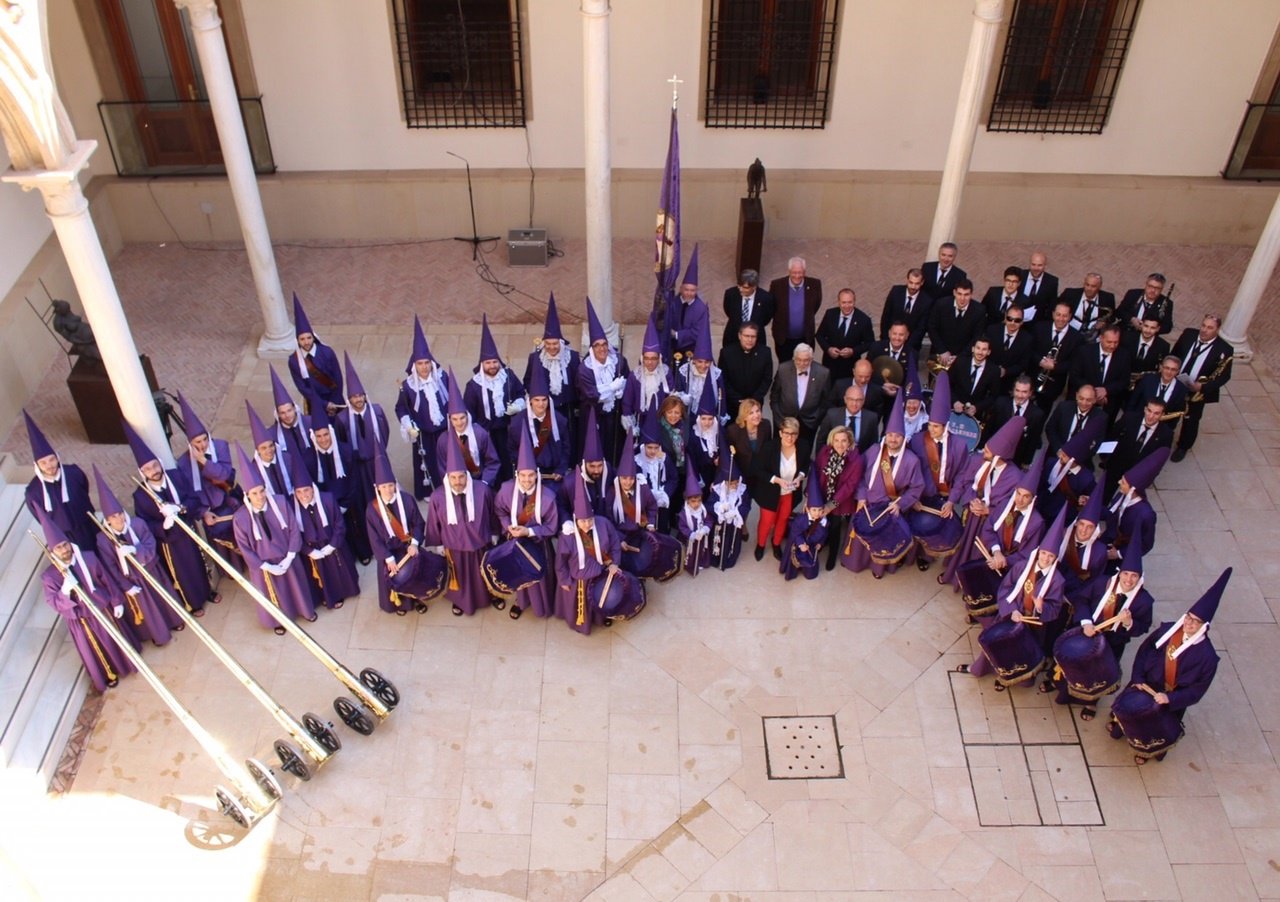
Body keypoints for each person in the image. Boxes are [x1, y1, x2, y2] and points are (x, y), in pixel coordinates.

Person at [1108, 568, 1229, 764]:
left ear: (1203, 627)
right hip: (1144, 685)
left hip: (1167, 698)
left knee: (1154, 730)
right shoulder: (1167, 631)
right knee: (1127, 712)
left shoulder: (1208, 658)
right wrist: (1138, 677)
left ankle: (1149, 750)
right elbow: (1144, 652)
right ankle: (1120, 730)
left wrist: (1169, 698)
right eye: (1188, 617)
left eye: (1195, 622)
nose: (1189, 623)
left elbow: (1196, 691)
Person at [124, 421, 219, 616]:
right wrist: (164, 524)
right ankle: (192, 603)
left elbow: (193, 498)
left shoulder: (176, 476)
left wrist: (180, 507)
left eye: (154, 465)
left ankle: (208, 591)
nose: (153, 471)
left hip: (188, 527)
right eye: (148, 469)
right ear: (143, 473)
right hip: (169, 541)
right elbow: (145, 524)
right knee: (182, 571)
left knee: (200, 561)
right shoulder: (140, 496)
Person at [38, 513, 135, 692]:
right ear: (53, 552)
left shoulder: (88, 558)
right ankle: (107, 673)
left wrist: (116, 601)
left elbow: (106, 580)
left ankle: (127, 664)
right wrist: (65, 591)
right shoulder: (49, 577)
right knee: (96, 647)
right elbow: (53, 603)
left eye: (65, 544)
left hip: (101, 606)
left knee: (115, 638)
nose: (64, 550)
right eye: (59, 548)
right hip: (80, 618)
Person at [1059, 541, 1154, 720]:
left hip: (1113, 642)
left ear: (1140, 578)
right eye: (1126, 574)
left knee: (1098, 673)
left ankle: (1091, 702)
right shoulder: (1103, 583)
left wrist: (1129, 623)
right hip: (1087, 632)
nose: (1128, 580)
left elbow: (1143, 627)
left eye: (1134, 576)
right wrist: (1086, 622)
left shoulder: (1144, 601)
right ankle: (1064, 691)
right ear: (1119, 574)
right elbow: (1081, 599)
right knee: (1074, 665)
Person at [230, 442, 317, 635]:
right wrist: (265, 566)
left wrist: (290, 556)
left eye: (262, 490)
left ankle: (305, 611)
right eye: (255, 493)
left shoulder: (279, 502)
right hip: (265, 567)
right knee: (274, 595)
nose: (260, 496)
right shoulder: (241, 518)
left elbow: (294, 529)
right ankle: (278, 620)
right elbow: (245, 548)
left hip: (287, 558)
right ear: (247, 495)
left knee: (297, 589)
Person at [92, 466, 180, 647]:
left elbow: (151, 544)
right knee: (149, 610)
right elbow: (110, 567)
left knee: (164, 600)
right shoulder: (103, 540)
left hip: (151, 570)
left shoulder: (138, 524)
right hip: (133, 580)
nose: (118, 520)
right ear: (107, 521)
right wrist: (126, 586)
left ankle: (176, 621)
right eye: (113, 518)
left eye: (119, 515)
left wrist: (135, 550)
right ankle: (159, 635)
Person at [843, 393, 925, 579]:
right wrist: (861, 496)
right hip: (867, 503)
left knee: (883, 541)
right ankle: (856, 562)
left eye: (897, 436)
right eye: (890, 435)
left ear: (903, 438)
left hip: (889, 508)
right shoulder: (873, 451)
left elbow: (916, 487)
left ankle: (878, 568)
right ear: (885, 435)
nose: (893, 439)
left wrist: (900, 504)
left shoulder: (912, 461)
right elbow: (859, 476)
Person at [940, 415, 1025, 590]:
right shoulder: (978, 460)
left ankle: (969, 585)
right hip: (971, 516)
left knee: (977, 555)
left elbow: (1013, 506)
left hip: (991, 524)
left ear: (998, 457)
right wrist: (970, 500)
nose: (982, 452)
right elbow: (964, 481)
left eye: (987, 451)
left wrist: (988, 510)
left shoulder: (1015, 477)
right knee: (962, 547)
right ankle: (952, 573)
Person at [954, 453, 1046, 615]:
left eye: (1026, 497)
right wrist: (996, 551)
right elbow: (989, 528)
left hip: (1013, 565)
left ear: (1033, 499)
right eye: (1018, 493)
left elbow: (1028, 554)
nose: (1020, 500)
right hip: (993, 553)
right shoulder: (1004, 505)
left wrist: (1004, 560)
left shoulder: (1037, 522)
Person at [425, 432, 499, 617]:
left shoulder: (482, 491)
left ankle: (492, 594)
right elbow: (434, 522)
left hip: (480, 543)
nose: (458, 482)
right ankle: (459, 600)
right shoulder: (438, 497)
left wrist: (495, 533)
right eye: (453, 478)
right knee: (460, 576)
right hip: (454, 546)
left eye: (461, 477)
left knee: (484, 573)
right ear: (447, 477)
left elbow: (492, 514)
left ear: (467, 475)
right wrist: (439, 545)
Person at [366, 448, 443, 615]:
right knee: (395, 577)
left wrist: (415, 543)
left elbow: (418, 523)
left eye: (390, 485)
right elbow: (374, 538)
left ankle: (418, 599)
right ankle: (400, 604)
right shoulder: (372, 510)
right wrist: (388, 558)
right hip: (388, 553)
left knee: (416, 575)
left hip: (408, 547)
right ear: (377, 488)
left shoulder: (407, 500)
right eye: (383, 487)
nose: (387, 490)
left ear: (395, 484)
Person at [493, 428, 559, 620]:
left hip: (539, 543)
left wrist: (528, 531)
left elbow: (551, 527)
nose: (527, 480)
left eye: (531, 475)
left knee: (539, 577)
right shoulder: (505, 490)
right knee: (518, 573)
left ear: (537, 475)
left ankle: (542, 603)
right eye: (523, 475)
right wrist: (508, 527)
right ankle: (521, 602)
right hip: (514, 542)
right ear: (517, 474)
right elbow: (500, 510)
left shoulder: (547, 497)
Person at [175, 393, 244, 569]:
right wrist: (204, 512)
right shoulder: (183, 463)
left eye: (205, 439)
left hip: (227, 498)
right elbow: (190, 492)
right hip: (208, 509)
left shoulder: (220, 447)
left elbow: (224, 474)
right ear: (190, 442)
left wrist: (205, 461)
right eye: (198, 441)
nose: (204, 444)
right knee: (220, 539)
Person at [908, 372, 968, 572]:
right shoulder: (918, 439)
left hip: (944, 496)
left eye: (935, 426)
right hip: (922, 493)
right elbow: (910, 470)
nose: (931, 429)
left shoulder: (959, 446)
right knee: (915, 524)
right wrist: (912, 496)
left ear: (945, 426)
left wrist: (952, 501)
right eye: (930, 425)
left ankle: (927, 554)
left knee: (935, 529)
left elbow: (961, 475)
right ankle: (910, 553)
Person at [287, 452, 360, 612]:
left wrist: (333, 544)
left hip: (333, 546)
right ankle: (328, 597)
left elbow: (339, 524)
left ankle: (346, 590)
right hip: (312, 550)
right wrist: (309, 551)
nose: (303, 496)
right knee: (320, 576)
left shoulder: (327, 499)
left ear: (313, 489)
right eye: (299, 492)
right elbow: (294, 534)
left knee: (340, 571)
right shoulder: (292, 508)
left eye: (306, 490)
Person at [555, 473, 624, 636]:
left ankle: (600, 618)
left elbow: (614, 543)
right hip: (578, 579)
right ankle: (581, 624)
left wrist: (614, 563)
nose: (586, 524)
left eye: (589, 519)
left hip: (599, 574)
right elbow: (561, 561)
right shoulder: (568, 535)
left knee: (601, 598)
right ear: (575, 519)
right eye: (582, 521)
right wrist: (564, 580)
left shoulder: (604, 524)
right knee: (580, 606)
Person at [23, 410, 96, 551]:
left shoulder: (74, 473)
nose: (49, 465)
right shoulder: (33, 492)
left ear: (57, 458)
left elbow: (84, 488)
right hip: (65, 537)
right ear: (37, 465)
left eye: (51, 459)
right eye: (43, 463)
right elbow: (40, 518)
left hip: (88, 524)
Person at [465, 315, 526, 484]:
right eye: (488, 363)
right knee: (491, 461)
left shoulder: (508, 376)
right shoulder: (473, 386)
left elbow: (521, 393)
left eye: (494, 362)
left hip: (507, 429)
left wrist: (517, 405)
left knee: (508, 459)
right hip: (487, 432)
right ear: (482, 364)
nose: (492, 366)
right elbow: (469, 411)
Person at [395, 316, 451, 498]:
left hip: (444, 429)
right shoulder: (408, 386)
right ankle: (428, 489)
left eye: (427, 363)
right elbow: (401, 408)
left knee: (446, 457)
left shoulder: (442, 379)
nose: (424, 367)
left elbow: (453, 399)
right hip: (423, 432)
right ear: (414, 366)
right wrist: (408, 425)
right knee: (426, 460)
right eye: (420, 364)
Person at [307, 405, 368, 565]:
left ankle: (362, 551)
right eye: (318, 436)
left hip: (349, 500)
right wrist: (329, 506)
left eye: (326, 434)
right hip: (326, 504)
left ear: (331, 433)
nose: (323, 439)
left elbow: (354, 480)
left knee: (356, 526)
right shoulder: (310, 459)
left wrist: (345, 504)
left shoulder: (346, 451)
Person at [335, 352, 390, 526]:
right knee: (364, 495)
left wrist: (378, 452)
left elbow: (385, 432)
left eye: (360, 395)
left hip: (377, 459)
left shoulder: (377, 411)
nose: (358, 399)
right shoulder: (342, 419)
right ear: (349, 399)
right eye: (354, 397)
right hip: (358, 465)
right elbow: (342, 441)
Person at [1169, 314, 1234, 461]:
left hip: (1197, 391)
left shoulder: (1225, 349)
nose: (1204, 330)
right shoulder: (1188, 334)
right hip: (1177, 382)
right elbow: (1175, 353)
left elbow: (1224, 376)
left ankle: (1183, 446)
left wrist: (1202, 388)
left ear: (1217, 330)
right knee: (1170, 410)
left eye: (1210, 328)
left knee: (1191, 419)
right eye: (1203, 325)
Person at [750, 416, 810, 561]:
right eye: (787, 433)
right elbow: (757, 469)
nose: (790, 437)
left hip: (789, 493)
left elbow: (805, 466)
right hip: (770, 492)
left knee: (783, 519)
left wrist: (799, 478)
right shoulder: (769, 447)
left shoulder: (803, 446)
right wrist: (777, 480)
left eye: (794, 434)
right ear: (781, 433)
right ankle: (761, 545)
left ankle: (776, 544)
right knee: (766, 520)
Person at [576, 298, 629, 462]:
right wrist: (613, 388)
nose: (602, 348)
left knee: (614, 449)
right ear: (592, 349)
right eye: (597, 345)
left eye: (604, 344)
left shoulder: (619, 361)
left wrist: (622, 389)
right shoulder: (585, 370)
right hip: (594, 416)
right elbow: (592, 395)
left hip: (614, 415)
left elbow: (626, 377)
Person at [524, 293, 580, 447]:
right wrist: (536, 398)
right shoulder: (535, 358)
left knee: (568, 436)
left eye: (555, 343)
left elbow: (578, 381)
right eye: (548, 343)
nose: (551, 347)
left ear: (561, 342)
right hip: (545, 407)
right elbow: (528, 380)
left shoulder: (573, 357)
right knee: (548, 438)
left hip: (567, 406)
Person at [509, 364, 572, 498]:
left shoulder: (559, 421)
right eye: (536, 400)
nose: (541, 404)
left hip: (554, 477)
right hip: (529, 478)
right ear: (530, 401)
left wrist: (561, 469)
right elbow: (513, 450)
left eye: (544, 400)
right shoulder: (517, 423)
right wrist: (526, 472)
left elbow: (566, 448)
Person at [436, 368, 501, 488]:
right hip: (456, 484)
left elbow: (492, 462)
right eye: (454, 419)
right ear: (449, 420)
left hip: (479, 480)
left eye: (462, 418)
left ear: (468, 416)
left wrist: (485, 482)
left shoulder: (480, 434)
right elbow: (442, 467)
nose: (459, 423)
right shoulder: (443, 440)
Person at [1103, 447, 1168, 562]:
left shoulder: (1146, 514)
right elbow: (1110, 513)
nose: (1119, 483)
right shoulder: (1122, 495)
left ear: (1132, 489)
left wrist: (1118, 554)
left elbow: (1146, 545)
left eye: (1123, 482)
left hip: (1125, 553)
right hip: (1110, 539)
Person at [1103, 398, 1174, 500]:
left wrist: (1149, 478)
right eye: (1149, 411)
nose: (1151, 416)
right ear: (1145, 409)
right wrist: (1106, 458)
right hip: (1116, 466)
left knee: (1128, 501)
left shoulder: (1166, 434)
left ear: (1162, 415)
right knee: (1105, 494)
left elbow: (1159, 460)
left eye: (1156, 413)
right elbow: (1112, 436)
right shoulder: (1129, 418)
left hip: (1138, 473)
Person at [813, 424, 862, 571]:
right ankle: (822, 542)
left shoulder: (856, 460)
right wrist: (811, 496)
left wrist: (831, 505)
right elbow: (815, 472)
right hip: (822, 494)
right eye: (837, 440)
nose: (840, 444)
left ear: (850, 442)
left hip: (839, 502)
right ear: (831, 441)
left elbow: (849, 486)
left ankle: (832, 555)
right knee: (819, 523)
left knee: (834, 527)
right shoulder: (824, 452)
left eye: (844, 441)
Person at [286, 293, 344, 414]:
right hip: (315, 402)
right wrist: (323, 404)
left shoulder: (327, 352)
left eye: (308, 338)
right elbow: (302, 387)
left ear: (313, 337)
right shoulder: (294, 360)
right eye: (302, 339)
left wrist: (335, 399)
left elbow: (338, 377)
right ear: (297, 340)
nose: (306, 342)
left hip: (334, 397)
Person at [1038, 417, 1103, 524]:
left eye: (1064, 456)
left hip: (1061, 517)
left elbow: (1093, 498)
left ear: (1074, 460)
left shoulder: (1086, 479)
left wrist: (1085, 499)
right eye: (1061, 453)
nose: (1060, 456)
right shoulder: (1051, 462)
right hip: (1041, 506)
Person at [1055, 491, 1109, 615]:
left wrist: (1072, 598)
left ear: (1095, 530)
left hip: (1074, 595)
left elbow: (1093, 581)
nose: (1083, 531)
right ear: (1076, 523)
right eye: (1082, 524)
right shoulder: (1061, 536)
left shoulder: (1100, 552)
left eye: (1089, 527)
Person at [623, 312, 676, 433]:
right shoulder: (635, 376)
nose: (650, 362)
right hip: (640, 419)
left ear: (659, 359)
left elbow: (671, 396)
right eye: (647, 358)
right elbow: (627, 401)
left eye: (653, 358)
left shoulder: (666, 373)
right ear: (642, 358)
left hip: (662, 420)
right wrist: (630, 425)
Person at [770, 343, 829, 448]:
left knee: (804, 451)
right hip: (784, 419)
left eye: (806, 360)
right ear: (794, 358)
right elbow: (774, 395)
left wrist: (817, 417)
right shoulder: (784, 369)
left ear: (811, 359)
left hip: (809, 422)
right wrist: (778, 417)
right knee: (780, 450)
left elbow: (825, 400)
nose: (802, 363)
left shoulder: (823, 373)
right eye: (798, 359)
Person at [1029, 301, 1085, 412]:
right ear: (1053, 314)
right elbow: (1029, 349)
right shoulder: (1039, 327)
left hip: (1054, 383)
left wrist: (1055, 367)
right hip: (1032, 376)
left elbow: (1074, 363)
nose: (1061, 318)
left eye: (1065, 316)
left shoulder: (1077, 338)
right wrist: (1040, 361)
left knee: (1043, 412)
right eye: (1058, 314)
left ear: (1070, 317)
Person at [927, 279, 986, 381]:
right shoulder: (941, 304)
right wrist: (942, 351)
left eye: (966, 294)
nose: (962, 298)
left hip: (963, 357)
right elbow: (932, 327)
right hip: (939, 356)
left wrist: (960, 357)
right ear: (954, 292)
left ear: (971, 294)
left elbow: (977, 337)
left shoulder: (979, 310)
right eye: (959, 294)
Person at [815, 288, 875, 382]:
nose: (847, 306)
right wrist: (828, 349)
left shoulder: (863, 320)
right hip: (830, 365)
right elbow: (819, 335)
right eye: (844, 302)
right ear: (838, 302)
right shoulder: (830, 314)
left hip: (849, 367)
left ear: (854, 302)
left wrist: (853, 351)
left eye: (850, 302)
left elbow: (870, 343)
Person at [769, 256, 822, 362]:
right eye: (794, 272)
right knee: (785, 366)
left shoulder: (815, 284)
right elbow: (772, 307)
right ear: (789, 271)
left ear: (804, 271)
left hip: (805, 338)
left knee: (804, 365)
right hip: (783, 339)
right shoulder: (777, 285)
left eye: (800, 272)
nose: (797, 276)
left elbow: (816, 305)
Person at [984, 375, 1045, 467]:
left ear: (1030, 393)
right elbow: (989, 428)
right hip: (992, 455)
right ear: (1013, 390)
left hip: (1016, 460)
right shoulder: (1000, 403)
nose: (1020, 395)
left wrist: (1026, 462)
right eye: (1017, 390)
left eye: (1024, 392)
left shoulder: (1037, 414)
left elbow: (1033, 440)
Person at [564, 408, 612, 518]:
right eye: (592, 466)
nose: (596, 470)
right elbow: (562, 506)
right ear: (584, 464)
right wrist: (566, 522)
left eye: (600, 465)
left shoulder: (608, 471)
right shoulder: (570, 483)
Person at [675, 320, 726, 423]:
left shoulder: (716, 376)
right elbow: (677, 391)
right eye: (700, 362)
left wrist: (722, 415)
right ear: (694, 360)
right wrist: (682, 397)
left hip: (708, 418)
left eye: (707, 362)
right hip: (688, 416)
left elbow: (722, 398)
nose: (703, 366)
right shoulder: (684, 372)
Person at [636, 407, 677, 532]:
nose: (653, 451)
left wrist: (665, 493)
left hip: (662, 500)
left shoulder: (664, 459)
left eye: (656, 447)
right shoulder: (637, 461)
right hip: (644, 503)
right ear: (644, 446)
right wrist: (649, 494)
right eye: (650, 447)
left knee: (662, 526)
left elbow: (673, 478)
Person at [719, 322, 774, 414]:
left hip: (755, 404)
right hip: (733, 404)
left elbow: (767, 379)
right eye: (746, 336)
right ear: (739, 336)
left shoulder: (765, 353)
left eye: (753, 336)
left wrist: (754, 399)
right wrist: (737, 399)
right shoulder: (727, 353)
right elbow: (723, 379)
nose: (750, 339)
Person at [709, 452, 751, 571]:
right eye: (730, 483)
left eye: (735, 482)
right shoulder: (718, 490)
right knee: (717, 540)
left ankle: (728, 558)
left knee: (731, 542)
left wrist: (736, 513)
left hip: (733, 524)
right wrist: (719, 508)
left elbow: (746, 506)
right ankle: (715, 558)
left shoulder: (742, 491)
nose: (733, 485)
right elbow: (709, 505)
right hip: (720, 523)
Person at [780, 476, 828, 581]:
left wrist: (821, 543)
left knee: (810, 570)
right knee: (794, 562)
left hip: (811, 547)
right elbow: (795, 532)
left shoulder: (823, 521)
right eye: (814, 510)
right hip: (798, 545)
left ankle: (808, 572)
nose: (817, 513)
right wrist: (801, 544)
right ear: (807, 509)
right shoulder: (800, 519)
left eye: (820, 510)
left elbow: (824, 533)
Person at [669, 245, 710, 361]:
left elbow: (698, 332)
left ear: (696, 291)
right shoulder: (673, 303)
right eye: (686, 289)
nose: (689, 293)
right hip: (672, 346)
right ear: (681, 289)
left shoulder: (701, 309)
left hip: (691, 349)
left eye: (692, 290)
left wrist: (676, 335)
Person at [1044, 385, 1106, 460]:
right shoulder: (1063, 407)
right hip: (1057, 453)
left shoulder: (1100, 417)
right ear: (1076, 396)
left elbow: (1097, 442)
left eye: (1088, 400)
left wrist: (1078, 458)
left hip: (1080, 460)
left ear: (1094, 400)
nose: (1084, 403)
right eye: (1081, 398)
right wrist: (1059, 450)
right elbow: (1050, 429)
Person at [245, 400, 292, 497]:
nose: (269, 450)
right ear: (257, 451)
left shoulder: (287, 458)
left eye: (271, 445)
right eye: (264, 448)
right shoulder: (254, 470)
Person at [687, 377, 725, 497]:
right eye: (703, 419)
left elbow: (725, 451)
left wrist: (721, 460)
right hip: (700, 476)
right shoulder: (693, 435)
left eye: (710, 419)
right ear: (699, 418)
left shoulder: (719, 432)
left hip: (717, 475)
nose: (707, 423)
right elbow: (691, 460)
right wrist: (697, 479)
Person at [985, 303, 1035, 394]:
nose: (1012, 323)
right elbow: (984, 352)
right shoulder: (992, 330)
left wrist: (1006, 371)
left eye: (1017, 320)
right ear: (1005, 318)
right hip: (986, 376)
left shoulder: (1027, 339)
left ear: (1022, 322)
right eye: (1009, 319)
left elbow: (1023, 364)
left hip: (1008, 383)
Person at [818, 383, 880, 456]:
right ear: (845, 399)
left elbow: (873, 445)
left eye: (858, 400)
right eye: (851, 399)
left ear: (863, 401)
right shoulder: (832, 415)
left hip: (860, 460)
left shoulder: (871, 418)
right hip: (834, 459)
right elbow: (821, 440)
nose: (854, 404)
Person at [950, 337, 1002, 422]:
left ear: (989, 352)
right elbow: (947, 385)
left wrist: (977, 407)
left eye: (984, 349)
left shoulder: (994, 370)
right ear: (973, 349)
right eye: (978, 348)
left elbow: (993, 396)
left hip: (975, 416)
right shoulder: (960, 362)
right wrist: (955, 401)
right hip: (953, 410)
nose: (980, 352)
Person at [880, 268, 933, 352]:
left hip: (911, 346)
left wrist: (906, 348)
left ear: (922, 283)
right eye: (911, 282)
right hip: (889, 341)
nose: (913, 286)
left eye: (917, 284)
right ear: (907, 280)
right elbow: (886, 317)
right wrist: (886, 340)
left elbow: (921, 328)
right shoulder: (895, 292)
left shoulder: (927, 301)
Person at [721, 268, 775, 350]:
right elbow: (728, 311)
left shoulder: (766, 298)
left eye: (745, 287)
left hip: (756, 341)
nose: (740, 289)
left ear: (754, 287)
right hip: (733, 338)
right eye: (739, 286)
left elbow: (766, 318)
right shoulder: (731, 294)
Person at [676, 463, 713, 576]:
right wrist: (691, 534)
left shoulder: (703, 510)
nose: (696, 504)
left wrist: (705, 529)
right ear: (687, 501)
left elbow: (709, 520)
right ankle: (690, 565)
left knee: (702, 550)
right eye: (693, 501)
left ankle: (702, 562)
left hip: (701, 537)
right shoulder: (683, 514)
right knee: (690, 553)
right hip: (689, 539)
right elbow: (682, 527)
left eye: (699, 501)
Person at [1128, 354, 1189, 420]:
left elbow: (1176, 415)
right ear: (1161, 367)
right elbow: (1132, 402)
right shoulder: (1147, 380)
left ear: (1178, 371)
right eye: (1167, 368)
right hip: (1138, 421)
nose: (1169, 372)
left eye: (1173, 369)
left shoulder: (1182, 389)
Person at [1060, 272, 1115, 343]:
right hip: (1070, 331)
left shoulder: (1108, 298)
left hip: (1092, 336)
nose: (1089, 288)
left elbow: (1112, 317)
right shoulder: (1070, 294)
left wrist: (1104, 324)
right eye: (1087, 285)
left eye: (1093, 286)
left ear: (1100, 286)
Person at [725, 398, 772, 480]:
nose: (756, 415)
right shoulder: (733, 431)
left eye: (758, 411)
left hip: (761, 473)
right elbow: (730, 456)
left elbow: (769, 450)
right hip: (741, 474)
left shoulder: (766, 425)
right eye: (751, 413)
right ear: (744, 417)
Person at [270, 365, 312, 456]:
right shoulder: (271, 435)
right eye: (282, 413)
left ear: (295, 408)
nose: (287, 415)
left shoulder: (310, 423)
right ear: (277, 415)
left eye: (289, 410)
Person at [1121, 315, 1170, 385]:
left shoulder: (1164, 346)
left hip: (1145, 384)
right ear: (1141, 325)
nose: (1148, 331)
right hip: (1122, 379)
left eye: (1152, 328)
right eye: (1146, 326)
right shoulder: (1126, 338)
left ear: (1158, 329)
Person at [1019, 251, 1058, 320]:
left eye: (1039, 265)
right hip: (1018, 319)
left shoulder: (1052, 281)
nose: (1036, 268)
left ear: (1045, 265)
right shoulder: (1020, 275)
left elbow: (1052, 305)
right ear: (1029, 264)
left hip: (1039, 322)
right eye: (1033, 264)